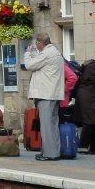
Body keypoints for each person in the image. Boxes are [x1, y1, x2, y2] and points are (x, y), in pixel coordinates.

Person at [21, 33, 65, 161]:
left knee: (46, 126)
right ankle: (54, 151)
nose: (36, 46)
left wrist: (28, 53)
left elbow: (29, 65)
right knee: (53, 124)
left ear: (40, 43)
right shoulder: (56, 52)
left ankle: (49, 154)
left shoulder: (47, 54)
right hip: (54, 93)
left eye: (37, 44)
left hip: (46, 94)